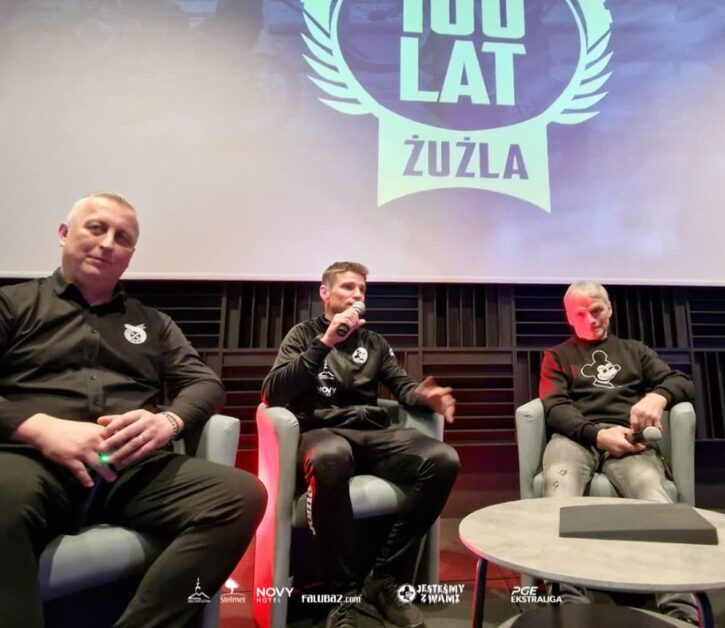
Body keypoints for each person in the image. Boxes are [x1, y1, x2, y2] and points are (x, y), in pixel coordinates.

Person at [0, 192, 267, 628]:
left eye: (122, 238)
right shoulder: (13, 305)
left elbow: (205, 384)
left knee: (242, 496)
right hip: (31, 460)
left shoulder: (153, 323)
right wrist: (38, 428)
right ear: (64, 233)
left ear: (131, 255)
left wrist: (167, 421)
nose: (108, 244)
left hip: (131, 467)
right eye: (96, 228)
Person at [262, 261, 460, 628]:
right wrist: (325, 343)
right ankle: (342, 594)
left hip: (371, 431)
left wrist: (423, 396)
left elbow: (401, 386)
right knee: (330, 457)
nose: (357, 295)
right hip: (321, 430)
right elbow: (273, 394)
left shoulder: (374, 343)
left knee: (443, 459)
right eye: (348, 287)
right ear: (325, 293)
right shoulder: (302, 335)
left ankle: (382, 578)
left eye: (362, 290)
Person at [539, 280, 698, 624]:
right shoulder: (556, 356)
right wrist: (597, 435)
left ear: (609, 309)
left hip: (629, 439)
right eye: (580, 314)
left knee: (652, 492)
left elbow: (681, 381)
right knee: (558, 486)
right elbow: (554, 408)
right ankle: (569, 604)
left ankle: (681, 611)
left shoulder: (635, 350)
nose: (590, 319)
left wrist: (658, 396)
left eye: (596, 310)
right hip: (576, 437)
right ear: (569, 317)